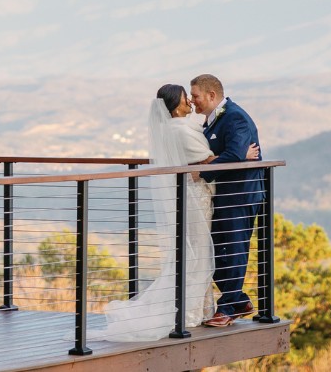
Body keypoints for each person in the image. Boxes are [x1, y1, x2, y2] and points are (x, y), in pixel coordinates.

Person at [100, 84, 259, 342]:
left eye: (193, 96)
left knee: (200, 251)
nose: (191, 102)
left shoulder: (176, 128)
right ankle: (197, 309)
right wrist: (240, 154)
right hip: (196, 195)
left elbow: (206, 160)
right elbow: (208, 161)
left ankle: (222, 303)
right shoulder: (182, 129)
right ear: (176, 106)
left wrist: (233, 155)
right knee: (200, 251)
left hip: (196, 193)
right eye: (188, 98)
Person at [190, 73, 265, 327]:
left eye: (196, 96)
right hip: (224, 195)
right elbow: (231, 154)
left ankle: (228, 309)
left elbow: (233, 153)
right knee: (213, 250)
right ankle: (240, 299)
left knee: (234, 250)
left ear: (211, 96)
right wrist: (233, 155)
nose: (192, 101)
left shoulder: (235, 117)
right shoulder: (211, 122)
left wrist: (203, 170)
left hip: (240, 195)